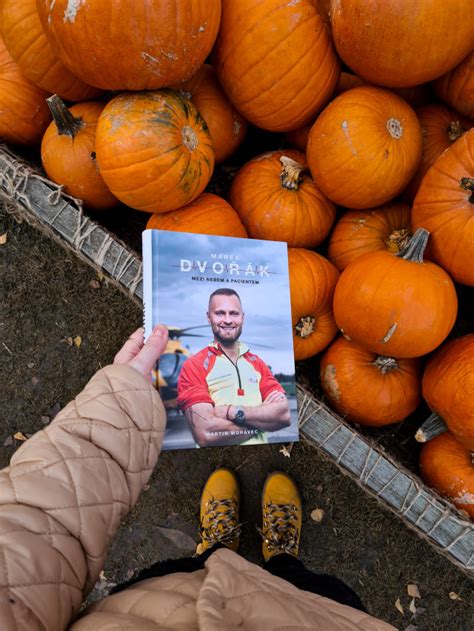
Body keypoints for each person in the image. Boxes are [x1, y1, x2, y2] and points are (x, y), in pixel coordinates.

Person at [0, 326, 396, 630]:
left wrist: (122, 402)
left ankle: (216, 549)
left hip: (156, 612)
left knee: (192, 573)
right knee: (305, 590)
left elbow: (29, 542)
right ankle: (281, 556)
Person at [177, 287, 292, 447]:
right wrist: (262, 418)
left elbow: (284, 416)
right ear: (208, 317)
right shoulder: (194, 366)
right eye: (219, 313)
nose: (228, 320)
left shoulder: (257, 363)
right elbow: (205, 434)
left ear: (242, 318)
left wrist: (232, 411)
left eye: (234, 313)